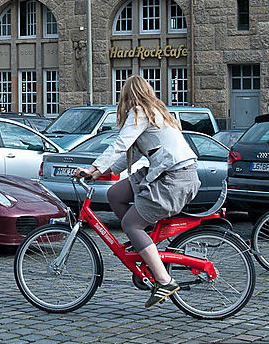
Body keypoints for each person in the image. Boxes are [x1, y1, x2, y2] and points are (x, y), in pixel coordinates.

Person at [77, 75, 200, 308]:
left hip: (174, 178)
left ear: (127, 96)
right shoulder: (156, 112)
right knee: (115, 194)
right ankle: (144, 243)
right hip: (167, 173)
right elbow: (126, 156)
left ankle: (164, 280)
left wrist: (95, 166)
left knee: (131, 225)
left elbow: (120, 145)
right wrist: (98, 173)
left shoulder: (140, 112)